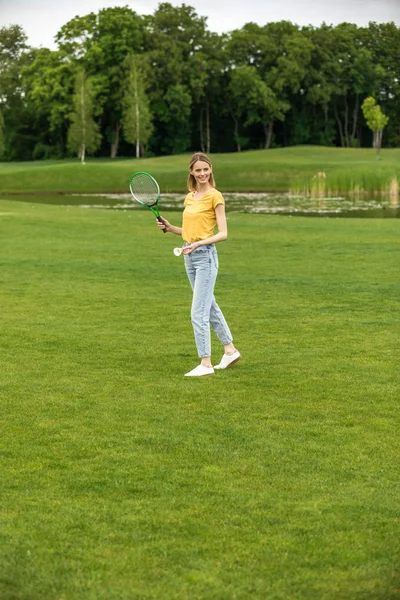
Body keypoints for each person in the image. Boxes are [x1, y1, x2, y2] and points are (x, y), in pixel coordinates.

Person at [157, 152, 241, 377]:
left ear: (210, 170)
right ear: (191, 173)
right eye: (198, 170)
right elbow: (190, 232)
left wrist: (198, 244)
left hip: (205, 256)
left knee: (198, 312)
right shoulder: (189, 197)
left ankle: (205, 363)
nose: (202, 173)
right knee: (209, 305)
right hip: (189, 255)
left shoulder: (216, 197)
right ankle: (230, 350)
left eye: (206, 169)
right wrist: (170, 227)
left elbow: (223, 234)